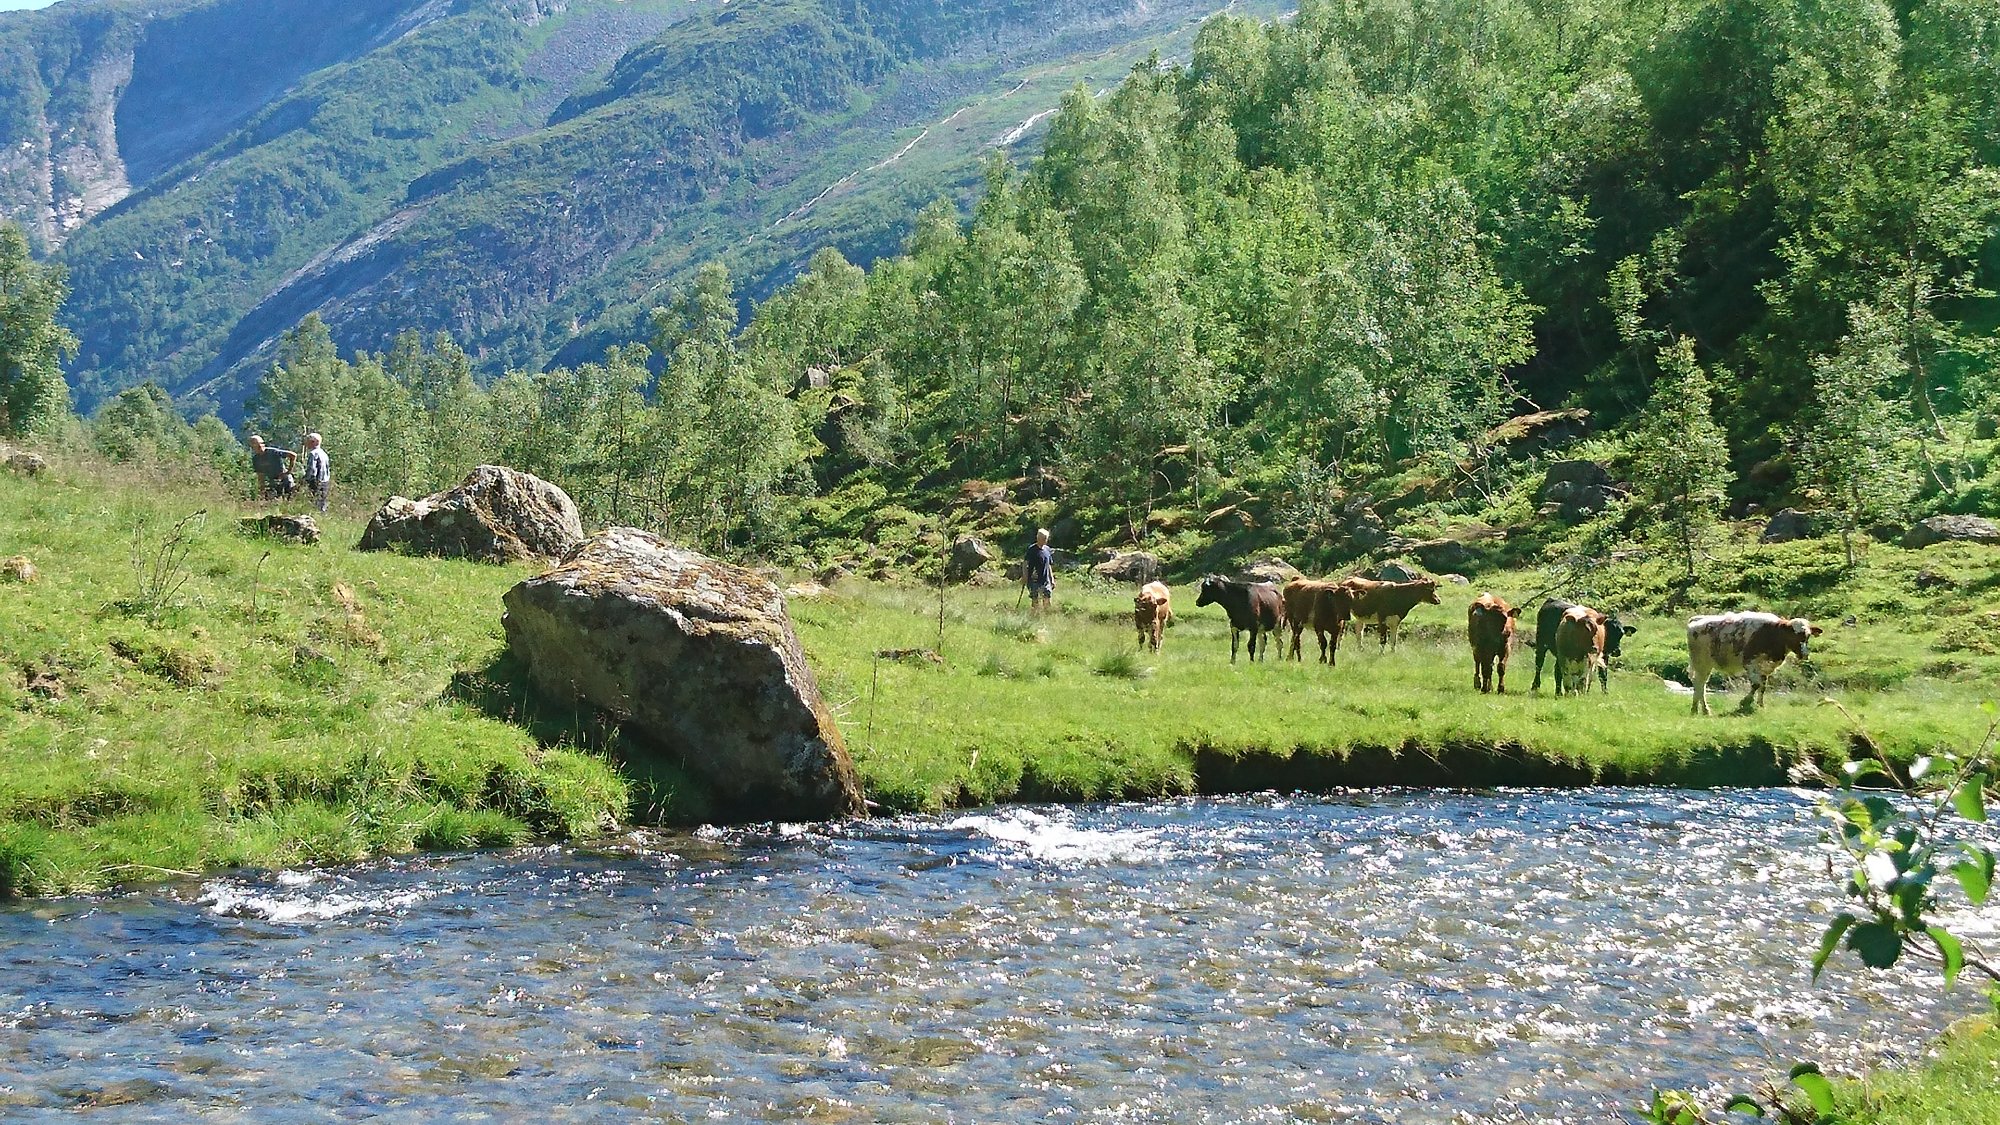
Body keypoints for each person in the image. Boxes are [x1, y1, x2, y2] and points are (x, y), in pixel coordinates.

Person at [247, 434, 296, 501]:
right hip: (273, 483)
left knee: (289, 501)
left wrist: (289, 471)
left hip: (285, 481)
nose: (260, 446)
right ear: (252, 447)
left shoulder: (273, 452)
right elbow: (260, 475)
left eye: (261, 444)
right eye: (257, 445)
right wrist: (262, 489)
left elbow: (293, 455)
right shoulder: (256, 459)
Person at [1024, 527, 1055, 614]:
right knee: (1035, 600)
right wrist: (1025, 576)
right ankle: (1035, 616)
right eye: (1044, 539)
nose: (1046, 540)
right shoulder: (1032, 550)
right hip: (1034, 580)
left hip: (1046, 580)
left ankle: (1047, 615)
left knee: (1047, 598)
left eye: (1046, 538)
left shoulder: (1047, 550)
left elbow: (1049, 565)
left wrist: (1052, 579)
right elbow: (1025, 563)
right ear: (1038, 538)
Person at [301, 432, 331, 512]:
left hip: (316, 482)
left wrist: (305, 480)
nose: (306, 444)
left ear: (313, 442)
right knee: (322, 504)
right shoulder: (324, 454)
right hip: (325, 482)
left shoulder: (313, 454)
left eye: (308, 441)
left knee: (314, 504)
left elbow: (312, 470)